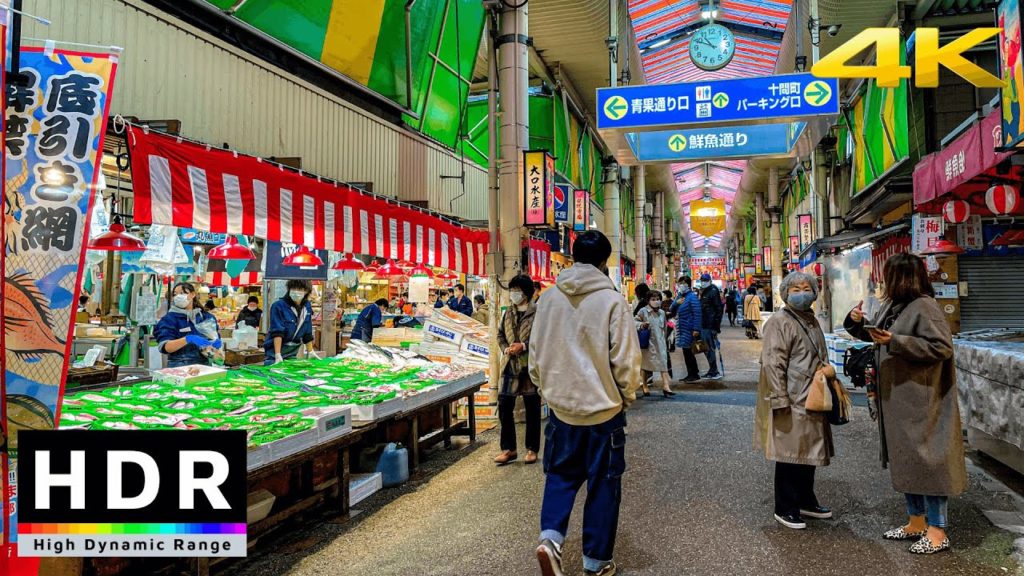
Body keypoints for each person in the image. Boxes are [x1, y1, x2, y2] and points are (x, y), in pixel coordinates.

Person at [529, 230, 641, 576]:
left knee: (560, 476)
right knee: (604, 486)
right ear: (605, 261)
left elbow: (536, 356)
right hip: (603, 412)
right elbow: (625, 361)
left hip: (562, 412)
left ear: (573, 256)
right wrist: (625, 396)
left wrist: (548, 391)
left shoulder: (547, 299)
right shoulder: (611, 301)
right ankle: (596, 562)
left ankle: (550, 540)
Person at [844, 253, 965, 555]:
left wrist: (894, 342)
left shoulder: (925, 306)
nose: (884, 281)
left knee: (931, 463)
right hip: (899, 400)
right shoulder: (894, 305)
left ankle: (938, 532)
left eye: (888, 276)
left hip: (922, 401)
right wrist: (857, 324)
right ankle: (916, 521)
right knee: (907, 461)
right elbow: (882, 336)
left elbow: (940, 347)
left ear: (901, 278)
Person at [754, 271, 835, 531]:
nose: (802, 292)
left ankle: (806, 501)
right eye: (796, 288)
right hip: (791, 396)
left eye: (806, 287)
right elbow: (772, 362)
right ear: (786, 293)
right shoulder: (780, 321)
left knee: (808, 451)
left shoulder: (810, 318)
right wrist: (779, 397)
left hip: (812, 394)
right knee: (789, 453)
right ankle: (785, 507)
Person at [495, 275, 540, 466]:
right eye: (512, 290)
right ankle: (509, 449)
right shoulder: (508, 313)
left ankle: (532, 449)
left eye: (517, 290)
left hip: (530, 366)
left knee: (532, 408)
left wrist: (524, 345)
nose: (513, 294)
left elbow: (543, 338)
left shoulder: (538, 312)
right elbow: (499, 334)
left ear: (526, 293)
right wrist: (506, 348)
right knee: (504, 405)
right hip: (510, 365)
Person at [154, 282, 222, 368]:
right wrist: (188, 339)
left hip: (205, 366)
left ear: (193, 294)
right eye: (175, 294)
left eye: (182, 293)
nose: (178, 296)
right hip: (179, 366)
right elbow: (165, 347)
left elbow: (215, 336)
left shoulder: (207, 317)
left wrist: (216, 343)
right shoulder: (169, 319)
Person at [264, 280, 319, 365]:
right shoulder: (278, 306)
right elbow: (277, 332)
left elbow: (307, 331)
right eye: (293, 288)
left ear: (307, 291)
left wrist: (310, 351)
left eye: (300, 289)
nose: (296, 291)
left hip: (292, 353)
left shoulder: (307, 306)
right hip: (274, 354)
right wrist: (277, 355)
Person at [635, 290, 675, 398]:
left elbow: (665, 329)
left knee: (663, 364)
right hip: (648, 343)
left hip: (660, 342)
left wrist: (666, 340)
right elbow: (634, 322)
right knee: (645, 366)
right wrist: (642, 324)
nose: (656, 301)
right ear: (648, 301)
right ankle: (644, 386)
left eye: (657, 299)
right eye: (653, 299)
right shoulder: (643, 311)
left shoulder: (662, 312)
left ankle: (666, 386)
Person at [671, 276, 702, 382]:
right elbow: (671, 309)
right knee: (686, 351)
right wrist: (676, 303)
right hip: (681, 329)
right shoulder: (679, 296)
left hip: (689, 329)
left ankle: (693, 374)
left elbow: (697, 314)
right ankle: (692, 373)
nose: (681, 285)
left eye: (683, 283)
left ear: (688, 285)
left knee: (688, 352)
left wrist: (696, 329)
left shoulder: (692, 297)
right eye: (679, 283)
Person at [698, 273, 724, 380]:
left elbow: (719, 309)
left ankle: (714, 371)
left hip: (709, 325)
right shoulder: (705, 291)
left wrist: (715, 327)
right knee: (707, 348)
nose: (703, 282)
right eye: (702, 280)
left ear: (709, 280)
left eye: (705, 280)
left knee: (709, 348)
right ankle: (712, 369)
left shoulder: (712, 291)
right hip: (705, 324)